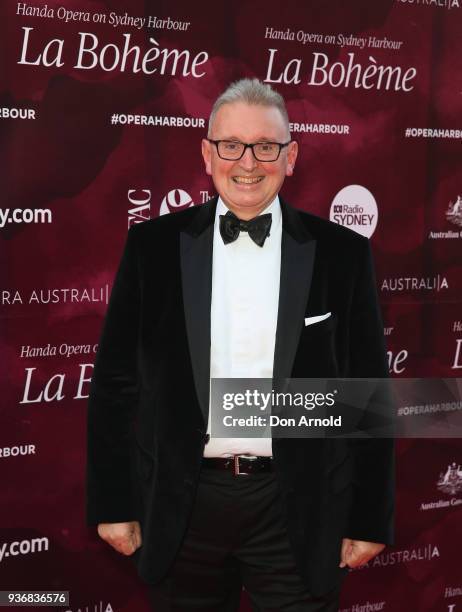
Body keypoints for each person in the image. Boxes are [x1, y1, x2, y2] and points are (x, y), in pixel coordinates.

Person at [87, 78, 394, 611]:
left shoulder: (342, 254)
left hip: (296, 505)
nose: (247, 162)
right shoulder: (153, 248)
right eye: (230, 145)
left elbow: (368, 393)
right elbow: (115, 385)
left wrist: (369, 517)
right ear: (207, 154)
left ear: (291, 156)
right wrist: (113, 503)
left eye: (266, 147)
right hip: (183, 504)